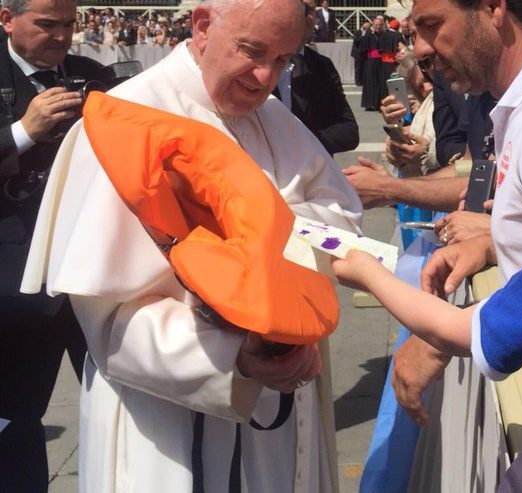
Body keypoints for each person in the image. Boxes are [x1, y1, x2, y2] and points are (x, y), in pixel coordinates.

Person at [21, 1, 362, 492]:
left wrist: (271, 252)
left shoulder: (278, 120)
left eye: (283, 60)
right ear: (203, 26)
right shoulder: (128, 121)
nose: (266, 78)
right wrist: (235, 355)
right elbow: (106, 317)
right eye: (253, 51)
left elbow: (341, 223)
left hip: (279, 417)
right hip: (165, 425)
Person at [392, 0, 522, 426]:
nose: (421, 50)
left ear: (493, 8)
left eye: (433, 25)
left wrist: (449, 333)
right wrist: (492, 244)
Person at [0, 0, 102, 491]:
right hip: (13, 287)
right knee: (16, 418)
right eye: (46, 24)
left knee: (115, 405)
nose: (61, 36)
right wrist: (23, 131)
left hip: (90, 276)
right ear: (7, 20)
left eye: (68, 24)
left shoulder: (91, 74)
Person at [274, 0, 359, 155]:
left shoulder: (322, 66)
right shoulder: (254, 64)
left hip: (311, 164)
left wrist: (305, 142)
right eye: (300, 7)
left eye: (310, 9)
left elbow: (349, 131)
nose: (305, 16)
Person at [351, 20, 371, 86]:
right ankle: (358, 81)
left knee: (364, 68)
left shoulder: (369, 32)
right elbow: (356, 41)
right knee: (358, 68)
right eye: (367, 25)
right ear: (363, 24)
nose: (368, 26)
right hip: (357, 53)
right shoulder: (357, 32)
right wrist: (362, 35)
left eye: (369, 25)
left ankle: (363, 81)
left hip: (365, 53)